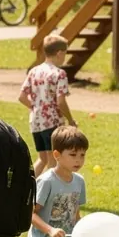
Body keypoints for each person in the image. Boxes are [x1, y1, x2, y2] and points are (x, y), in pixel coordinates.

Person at [19, 34, 75, 176]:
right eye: (65, 54)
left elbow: (22, 97)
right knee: (53, 160)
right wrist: (70, 119)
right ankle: (48, 194)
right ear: (59, 53)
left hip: (36, 122)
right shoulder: (59, 74)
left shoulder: (34, 71)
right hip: (52, 122)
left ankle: (27, 189)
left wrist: (36, 107)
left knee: (42, 158)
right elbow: (60, 101)